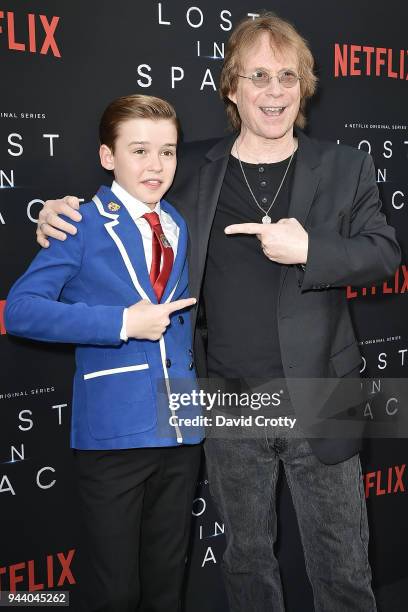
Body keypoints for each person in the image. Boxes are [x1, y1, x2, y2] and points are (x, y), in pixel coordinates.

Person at [35, 12, 400, 612]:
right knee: (247, 567)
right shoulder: (188, 171)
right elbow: (122, 197)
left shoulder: (344, 166)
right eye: (258, 75)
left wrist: (311, 249)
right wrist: (57, 213)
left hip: (326, 392)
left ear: (304, 86)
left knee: (344, 571)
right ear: (232, 87)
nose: (274, 91)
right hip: (227, 398)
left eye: (288, 76)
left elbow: (385, 252)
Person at [5, 94, 204, 612]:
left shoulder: (181, 223)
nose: (155, 165)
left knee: (167, 585)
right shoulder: (81, 223)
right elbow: (21, 310)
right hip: (113, 440)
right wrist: (120, 322)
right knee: (116, 591)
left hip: (181, 431)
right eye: (139, 151)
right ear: (107, 156)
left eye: (167, 151)